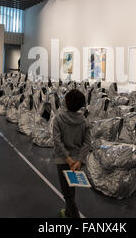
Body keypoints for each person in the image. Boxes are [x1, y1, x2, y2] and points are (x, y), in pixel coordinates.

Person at [52, 89, 91, 218]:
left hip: (64, 161)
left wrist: (68, 160)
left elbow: (57, 141)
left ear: (66, 102)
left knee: (67, 193)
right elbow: (87, 143)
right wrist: (79, 160)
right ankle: (68, 213)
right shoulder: (84, 121)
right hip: (77, 162)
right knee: (71, 188)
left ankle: (74, 216)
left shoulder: (58, 119)